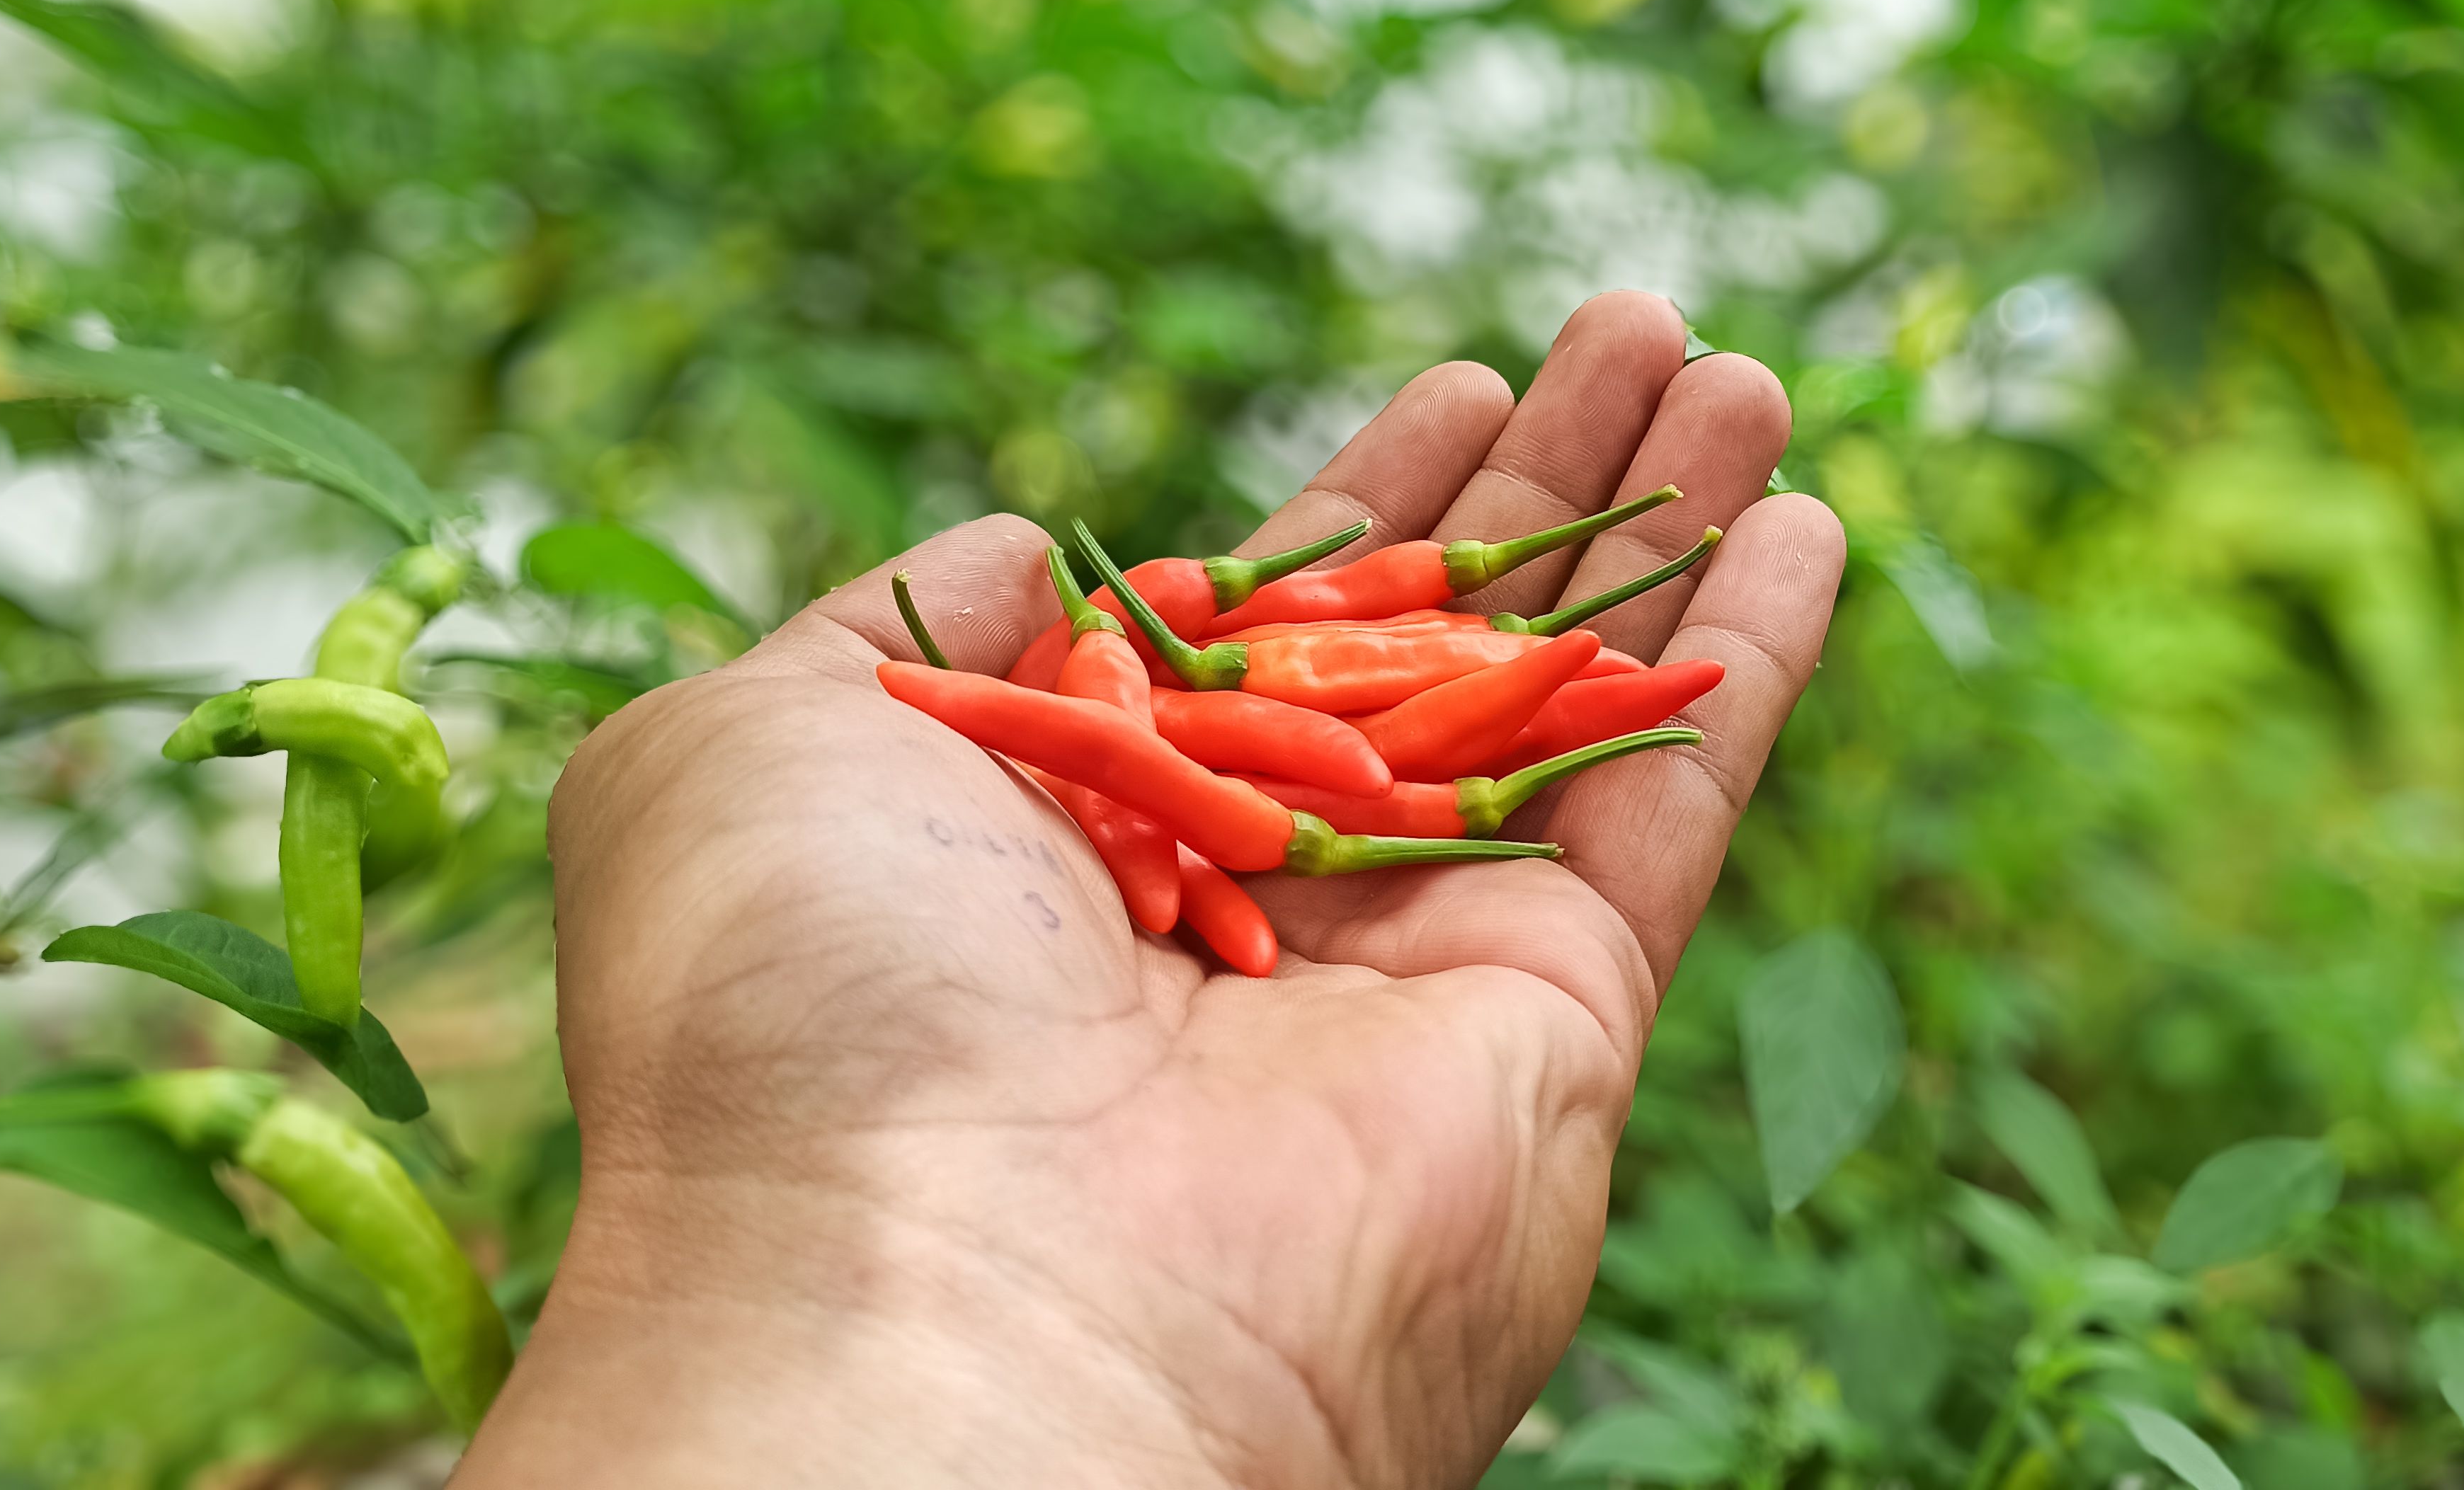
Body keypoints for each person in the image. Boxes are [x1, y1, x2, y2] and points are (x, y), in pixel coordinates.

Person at [450, 294, 1847, 1486]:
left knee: (1462, 700)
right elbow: (1210, 761)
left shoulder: (1156, 644)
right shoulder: (1127, 656)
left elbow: (1271, 743)